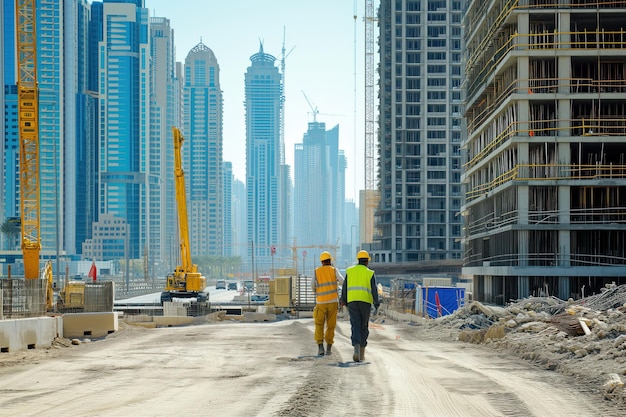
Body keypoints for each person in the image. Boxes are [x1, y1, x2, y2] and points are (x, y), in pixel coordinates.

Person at [340, 250, 379, 362]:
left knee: (355, 325)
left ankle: (356, 349)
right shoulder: (369, 273)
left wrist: (343, 300)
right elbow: (374, 290)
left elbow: (345, 287)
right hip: (365, 302)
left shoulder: (350, 271)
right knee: (363, 326)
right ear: (367, 261)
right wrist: (376, 304)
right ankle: (361, 354)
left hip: (352, 301)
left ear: (358, 260)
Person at [311, 251, 344, 356]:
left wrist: (317, 292)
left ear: (322, 262)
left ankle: (320, 347)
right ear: (330, 261)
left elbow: (312, 285)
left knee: (319, 324)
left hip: (320, 301)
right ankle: (329, 348)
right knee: (331, 325)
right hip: (333, 301)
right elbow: (342, 281)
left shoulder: (317, 271)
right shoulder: (334, 270)